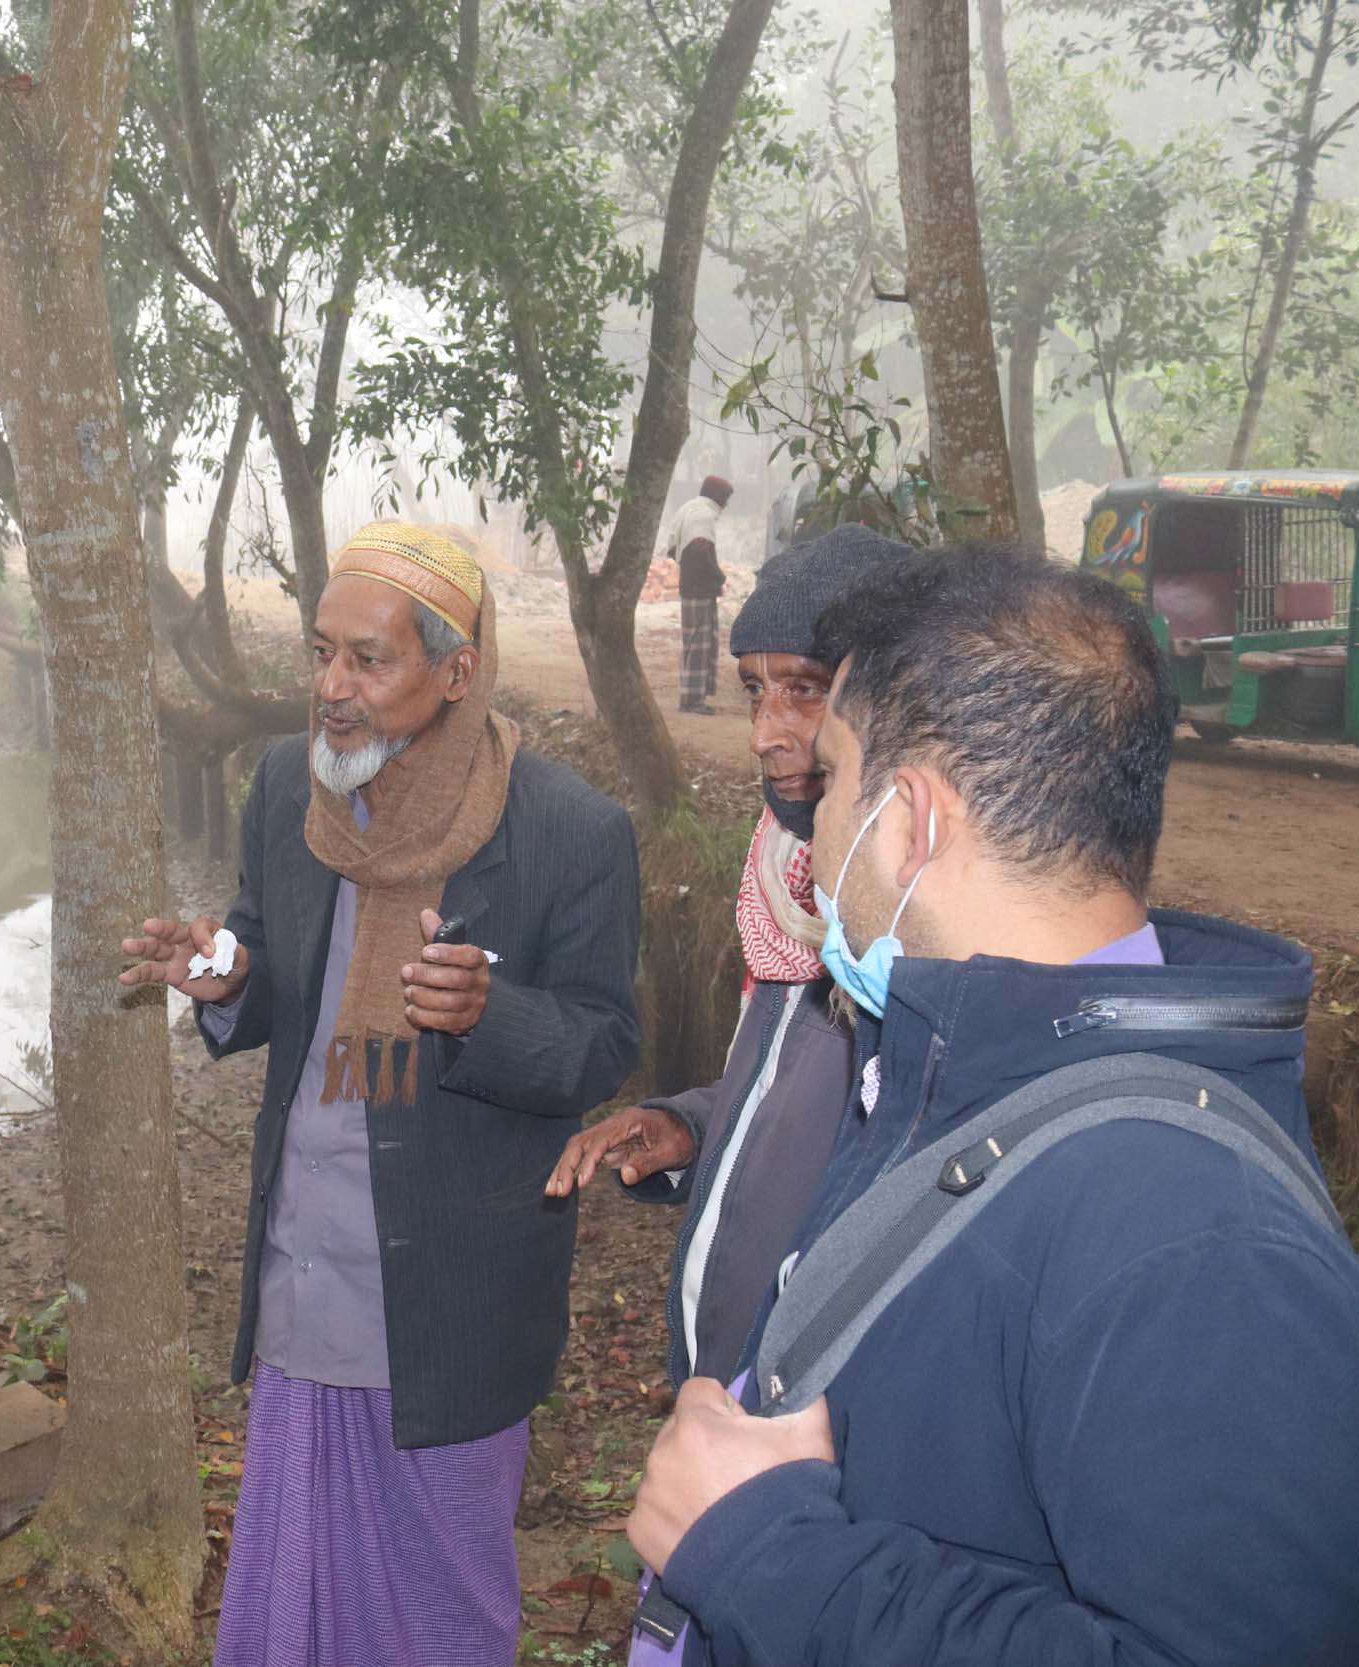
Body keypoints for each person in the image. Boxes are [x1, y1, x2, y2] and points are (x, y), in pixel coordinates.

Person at [625, 547, 1359, 1665]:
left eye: (829, 778)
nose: (812, 837)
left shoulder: (1203, 1237)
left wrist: (767, 1554)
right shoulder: (937, 1070)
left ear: (910, 820)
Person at [120, 522, 643, 1667]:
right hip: (308, 1259)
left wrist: (485, 1014)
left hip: (452, 1289)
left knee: (439, 1597)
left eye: (369, 660)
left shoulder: (568, 832)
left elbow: (602, 1045)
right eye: (321, 655)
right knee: (297, 1574)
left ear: (458, 669)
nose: (332, 691)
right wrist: (221, 970)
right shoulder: (286, 792)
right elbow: (269, 964)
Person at [545, 526, 911, 1385]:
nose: (765, 734)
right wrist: (694, 1126)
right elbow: (797, 1095)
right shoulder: (783, 885)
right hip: (723, 1389)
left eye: (806, 691)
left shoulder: (914, 938)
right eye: (754, 693)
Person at [667, 475, 732, 714]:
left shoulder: (689, 508)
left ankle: (693, 697)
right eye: (726, 499)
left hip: (691, 587)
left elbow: (674, 548)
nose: (726, 505)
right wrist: (719, 577)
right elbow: (699, 551)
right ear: (719, 497)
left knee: (694, 642)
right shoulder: (703, 515)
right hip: (700, 590)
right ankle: (692, 701)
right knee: (699, 644)